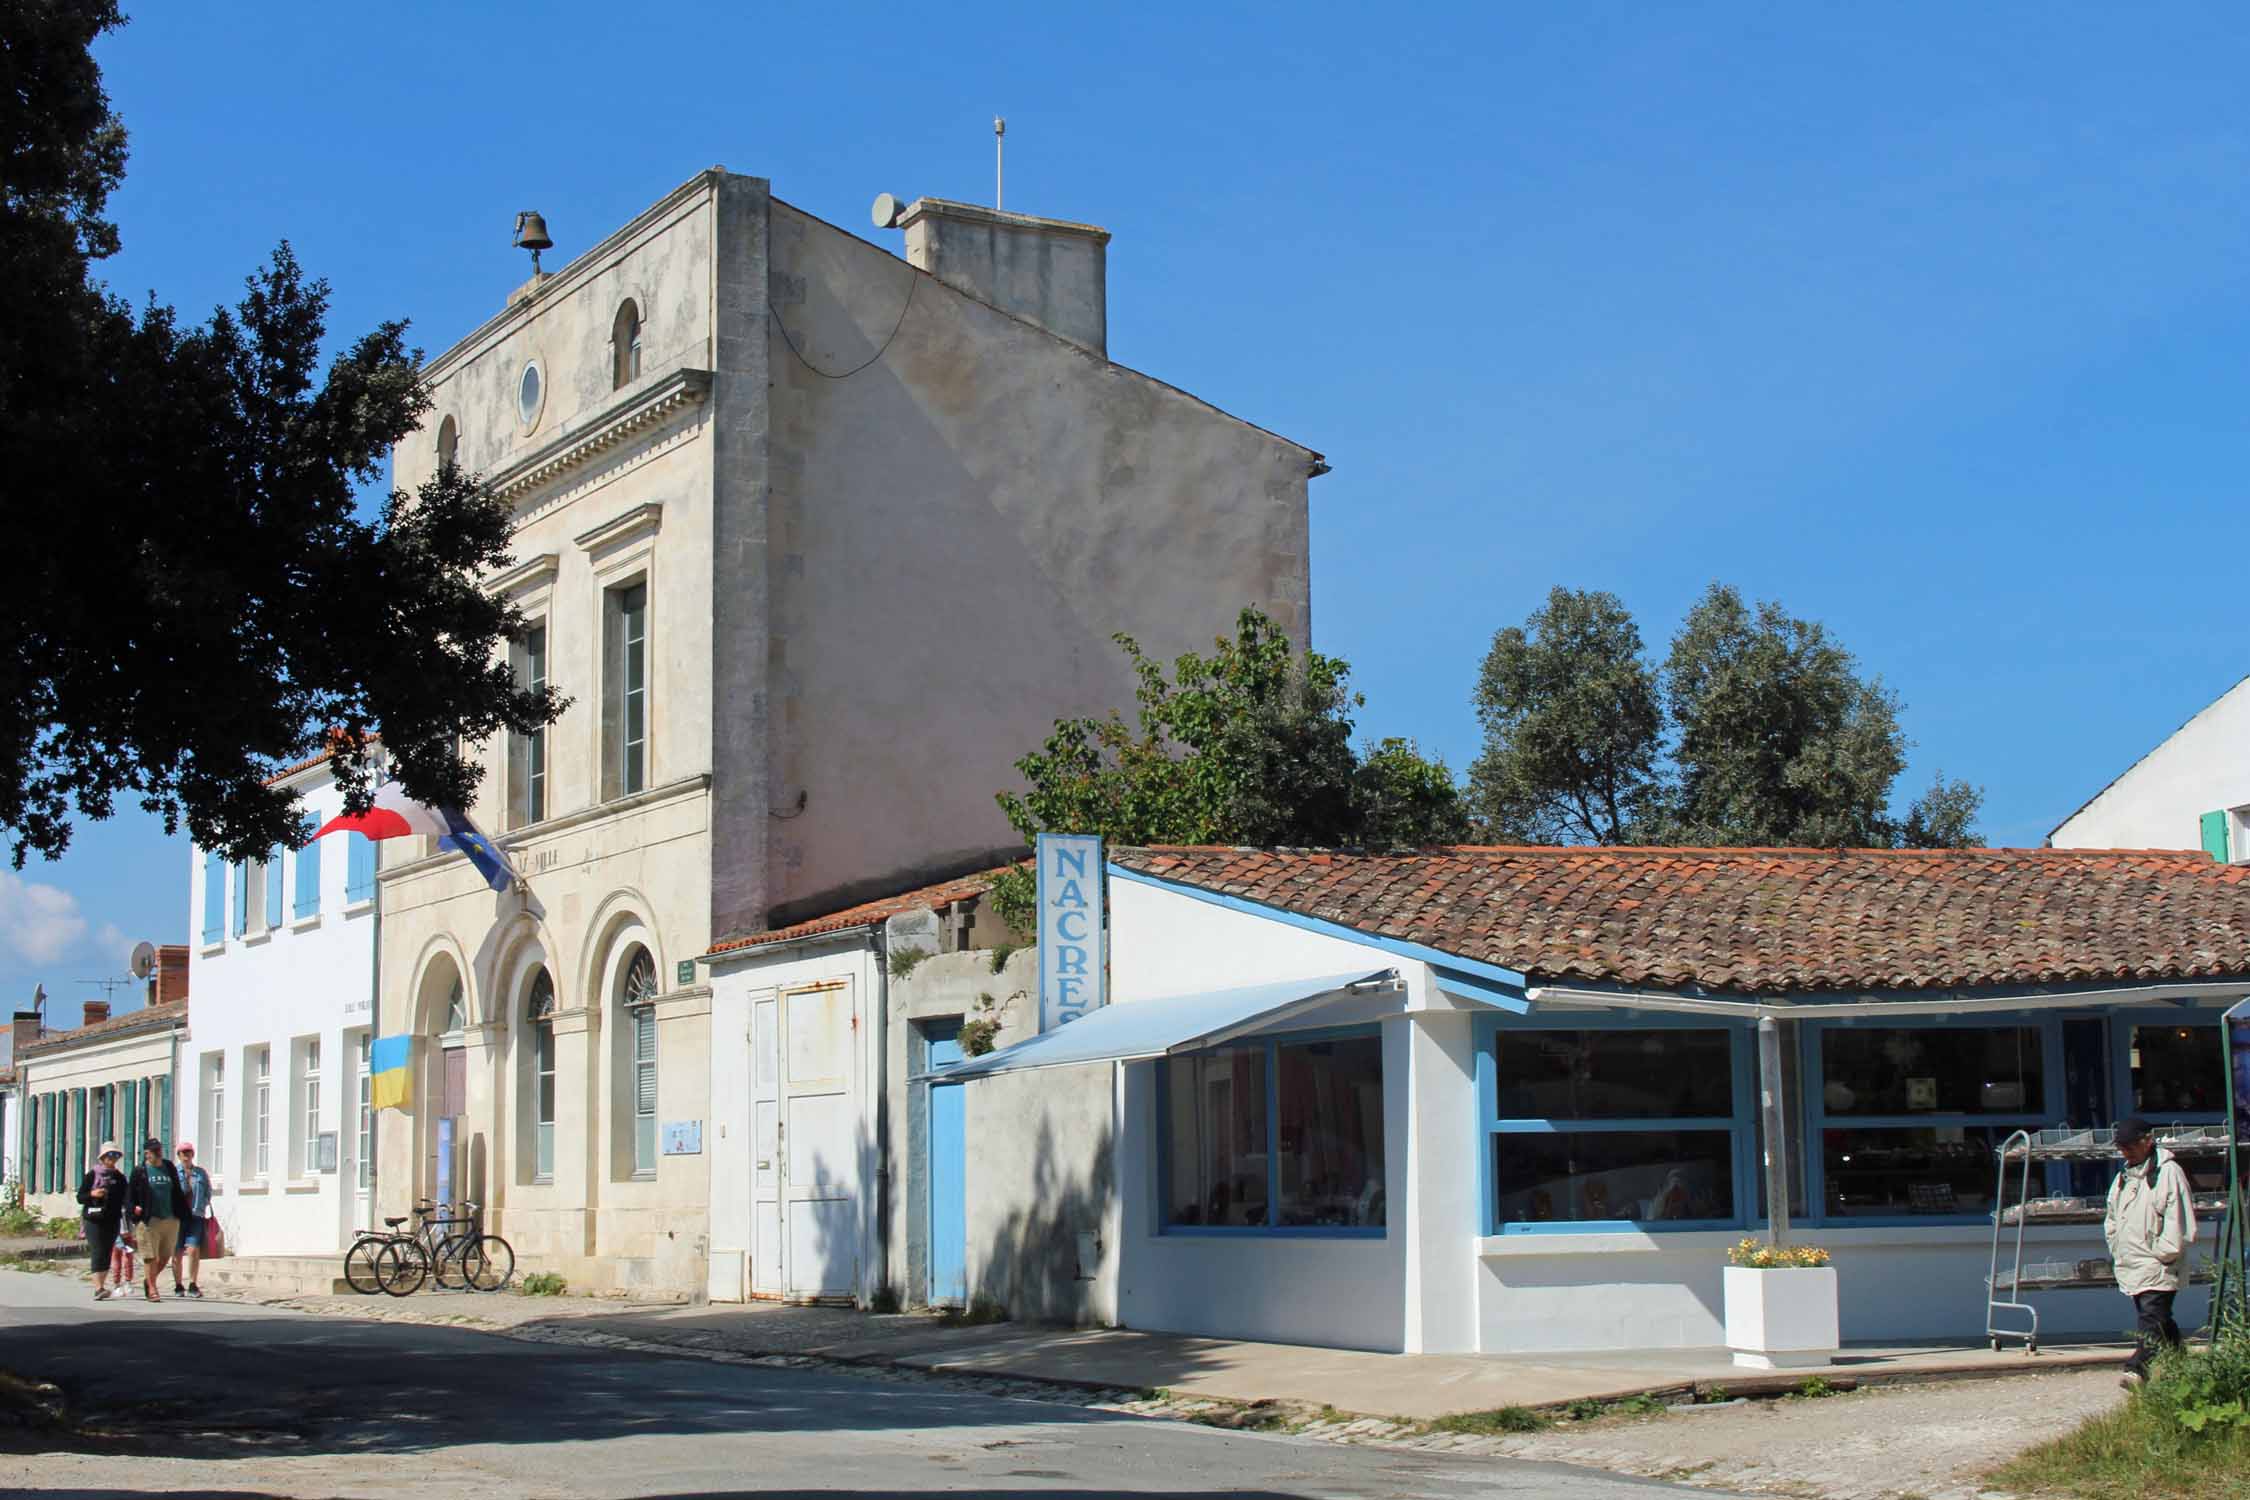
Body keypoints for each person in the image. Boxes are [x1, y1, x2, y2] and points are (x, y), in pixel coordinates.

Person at [2105, 1116, 2198, 1388]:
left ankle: (2137, 1369)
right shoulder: (2123, 1176)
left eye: (2130, 1145)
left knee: (2151, 1318)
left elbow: (2177, 1217)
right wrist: (2115, 1245)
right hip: (2131, 1261)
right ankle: (2183, 1368)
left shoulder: (2169, 1173)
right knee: (2160, 1321)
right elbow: (2112, 1215)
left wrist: (2165, 1253)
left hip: (2159, 1263)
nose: (2125, 1151)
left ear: (2148, 1141)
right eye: (2121, 1147)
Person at [125, 1136, 184, 1303]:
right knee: (150, 1257)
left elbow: (177, 1191)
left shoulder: (169, 1167)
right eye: (153, 1151)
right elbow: (129, 1196)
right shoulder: (140, 1171)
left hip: (170, 1218)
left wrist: (182, 1213)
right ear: (146, 1153)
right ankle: (152, 1288)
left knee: (164, 1257)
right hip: (149, 1219)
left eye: (159, 1150)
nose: (157, 1153)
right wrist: (133, 1209)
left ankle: (148, 1280)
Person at [75, 1141, 127, 1300]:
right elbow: (80, 1197)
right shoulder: (92, 1174)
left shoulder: (119, 1177)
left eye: (116, 1155)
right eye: (110, 1155)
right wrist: (93, 1194)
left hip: (112, 1219)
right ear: (103, 1157)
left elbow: (126, 1197)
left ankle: (102, 1286)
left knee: (106, 1251)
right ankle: (98, 1288)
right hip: (93, 1219)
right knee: (97, 1251)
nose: (113, 1158)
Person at [172, 1141, 211, 1298]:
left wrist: (203, 1203)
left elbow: (208, 1191)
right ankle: (178, 1285)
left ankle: (193, 1284)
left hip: (195, 1215)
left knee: (193, 1250)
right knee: (177, 1252)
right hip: (178, 1217)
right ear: (179, 1155)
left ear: (192, 1154)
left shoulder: (200, 1173)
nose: (186, 1155)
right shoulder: (174, 1173)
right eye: (183, 1152)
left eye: (189, 1152)